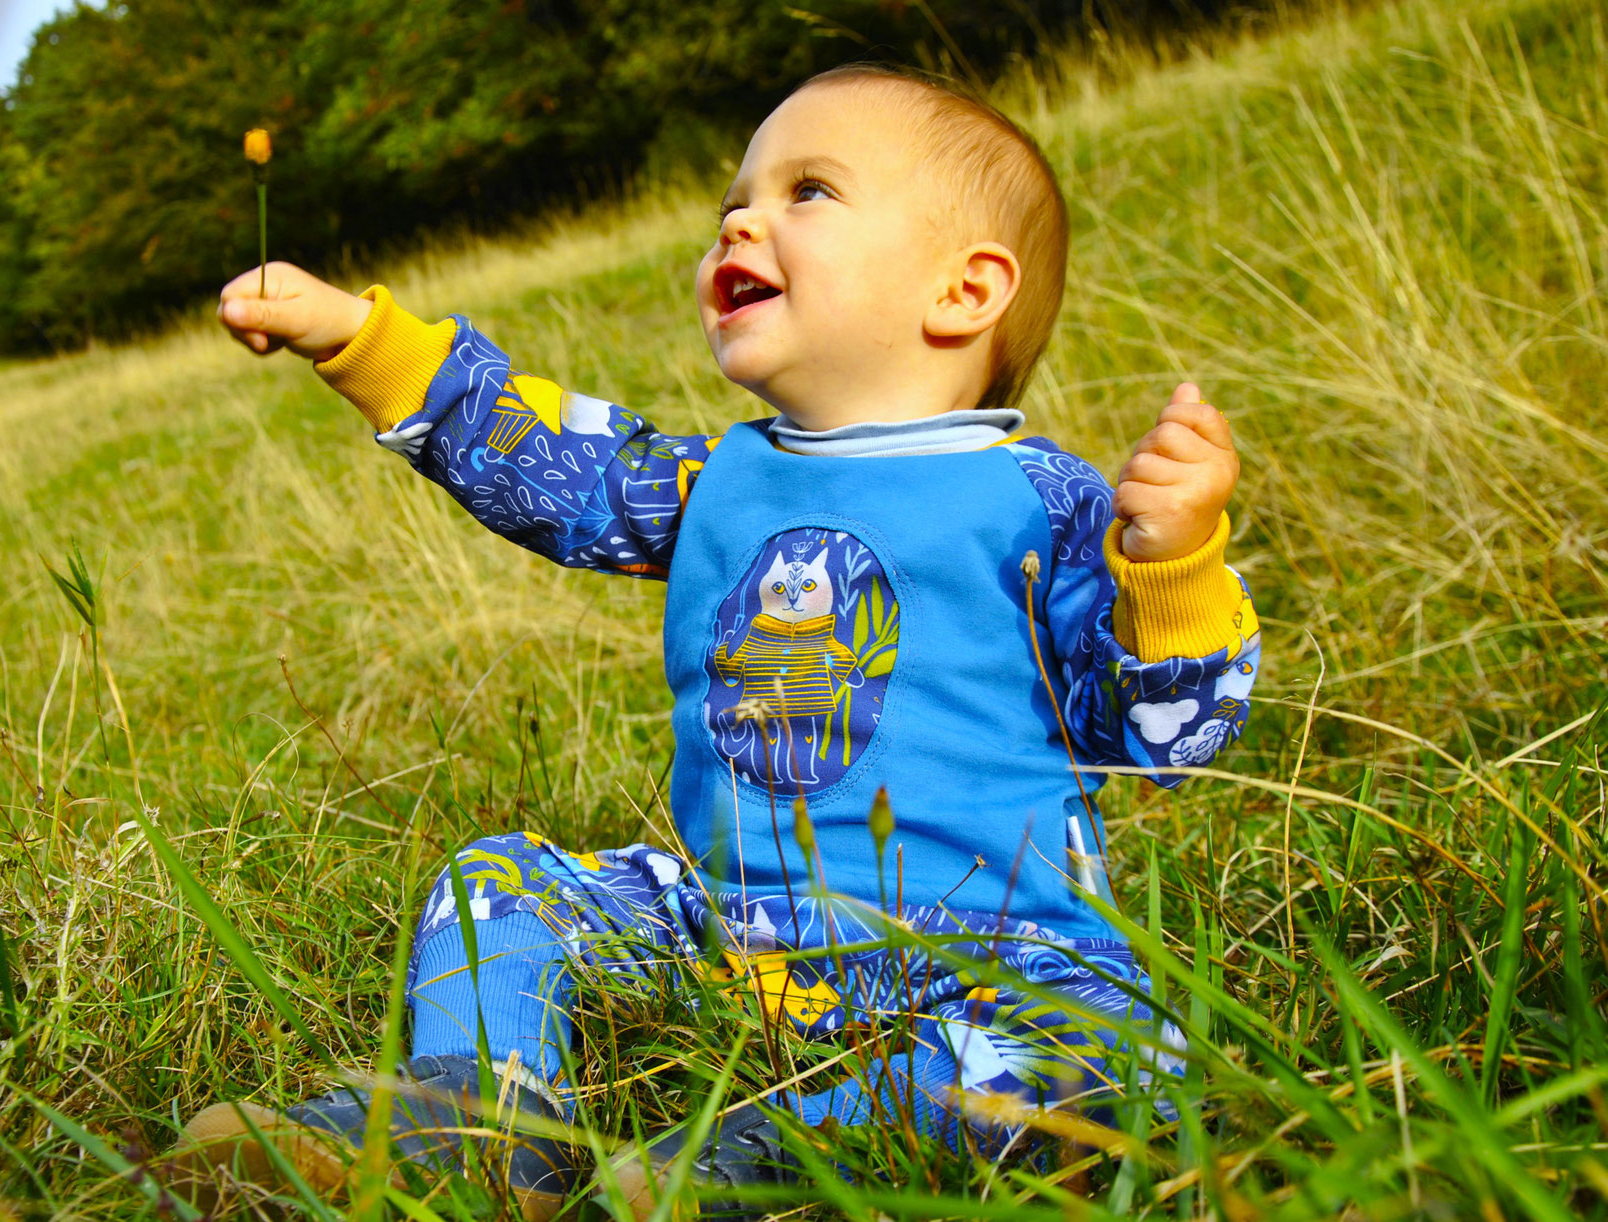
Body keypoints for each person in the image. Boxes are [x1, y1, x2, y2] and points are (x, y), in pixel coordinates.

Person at [174, 62, 1259, 1220]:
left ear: (963, 289)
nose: (740, 219)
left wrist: (1175, 569)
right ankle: (485, 1117)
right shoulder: (714, 478)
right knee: (499, 881)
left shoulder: (1040, 504)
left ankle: (766, 1164)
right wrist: (360, 336)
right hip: (732, 931)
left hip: (987, 949)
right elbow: (545, 462)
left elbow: (1160, 734)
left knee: (1105, 1038)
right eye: (733, 204)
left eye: (809, 191)